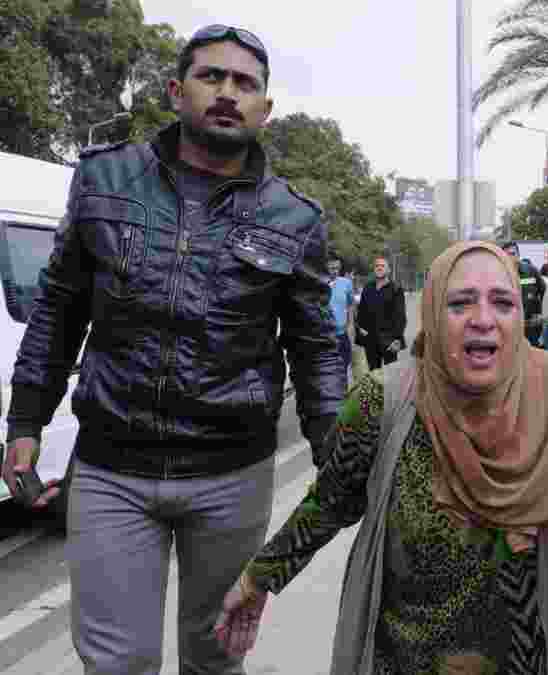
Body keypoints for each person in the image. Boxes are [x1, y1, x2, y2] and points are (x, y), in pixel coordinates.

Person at [0, 25, 344, 674]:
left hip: (231, 477)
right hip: (110, 467)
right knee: (117, 661)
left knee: (213, 657)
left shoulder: (294, 218)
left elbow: (316, 347)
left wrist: (335, 452)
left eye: (245, 83)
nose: (227, 92)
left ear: (264, 110)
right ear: (176, 91)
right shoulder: (104, 181)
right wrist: (26, 420)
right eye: (211, 76)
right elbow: (59, 307)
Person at [215, 241, 548, 673]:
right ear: (432, 312)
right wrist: (259, 579)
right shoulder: (382, 401)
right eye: (461, 303)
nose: (483, 319)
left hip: (520, 658)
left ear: (519, 316)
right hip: (402, 659)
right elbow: (329, 504)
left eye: (502, 302)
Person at [355, 256, 407, 371]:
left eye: (382, 266)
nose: (379, 268)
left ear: (388, 270)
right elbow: (361, 311)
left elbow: (400, 316)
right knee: (373, 374)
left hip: (388, 340)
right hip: (370, 338)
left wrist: (397, 339)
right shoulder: (368, 288)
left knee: (389, 375)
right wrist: (360, 328)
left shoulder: (396, 289)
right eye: (377, 266)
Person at [501, 240, 546, 346]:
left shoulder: (531, 271)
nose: (510, 257)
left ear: (518, 255)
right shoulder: (498, 274)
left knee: (532, 357)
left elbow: (545, 294)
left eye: (513, 254)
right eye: (506, 255)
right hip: (509, 326)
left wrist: (542, 315)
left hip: (530, 326)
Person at [328, 260, 355, 393]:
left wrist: (350, 324)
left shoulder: (346, 283)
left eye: (337, 268)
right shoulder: (318, 283)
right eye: (332, 268)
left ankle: (342, 394)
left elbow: (350, 304)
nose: (335, 271)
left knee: (344, 364)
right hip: (325, 335)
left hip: (342, 333)